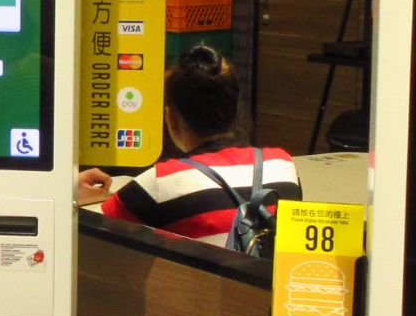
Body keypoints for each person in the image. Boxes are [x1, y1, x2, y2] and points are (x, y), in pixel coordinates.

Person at [78, 45, 301, 247]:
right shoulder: (281, 163)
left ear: (170, 119)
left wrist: (72, 192)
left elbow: (93, 236)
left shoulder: (161, 181)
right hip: (273, 290)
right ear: (236, 110)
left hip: (204, 291)